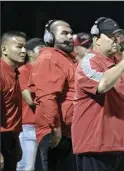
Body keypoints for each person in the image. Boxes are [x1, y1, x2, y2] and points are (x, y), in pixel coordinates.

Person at [72, 17, 124, 171]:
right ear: (96, 39)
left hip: (123, 146)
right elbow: (102, 85)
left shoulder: (116, 65)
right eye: (110, 36)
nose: (115, 40)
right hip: (97, 146)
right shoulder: (89, 62)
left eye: (117, 36)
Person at [28, 20, 77, 171]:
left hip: (67, 131)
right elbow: (46, 96)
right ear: (49, 37)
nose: (69, 37)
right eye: (64, 33)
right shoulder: (49, 57)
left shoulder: (65, 58)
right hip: (56, 132)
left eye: (70, 33)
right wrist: (55, 127)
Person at [17, 38, 45, 171]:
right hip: (28, 126)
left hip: (45, 125)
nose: (44, 52)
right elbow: (28, 99)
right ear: (30, 52)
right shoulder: (24, 70)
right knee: (26, 167)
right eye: (40, 49)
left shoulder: (46, 70)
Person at [0, 31, 27, 171]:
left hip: (12, 137)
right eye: (19, 47)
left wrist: (16, 143)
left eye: (25, 47)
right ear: (4, 49)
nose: (24, 51)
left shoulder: (15, 73)